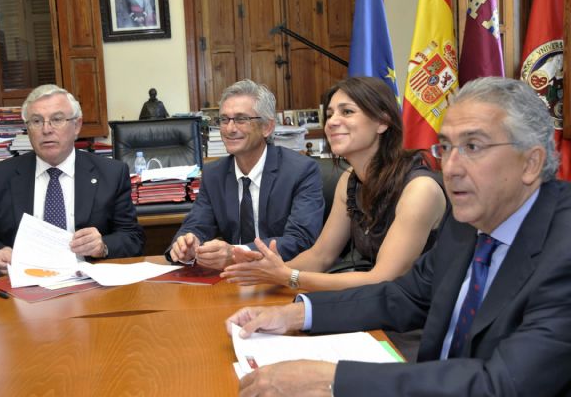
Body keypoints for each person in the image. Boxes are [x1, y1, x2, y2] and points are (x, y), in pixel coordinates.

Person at [227, 77, 571, 396]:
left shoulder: (563, 251)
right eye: (446, 147)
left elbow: (500, 385)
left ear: (530, 164)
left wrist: (332, 380)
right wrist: (294, 314)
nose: (451, 168)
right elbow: (403, 297)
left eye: (473, 146)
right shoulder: (468, 221)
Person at [221, 77, 446, 292]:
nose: (332, 122)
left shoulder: (420, 190)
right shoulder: (350, 179)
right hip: (371, 300)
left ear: (382, 122)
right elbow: (321, 256)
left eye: (347, 112)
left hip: (417, 310)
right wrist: (265, 273)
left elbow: (382, 279)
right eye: (329, 115)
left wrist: (288, 277)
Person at [0, 84, 144, 277]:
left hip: (89, 284)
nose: (46, 129)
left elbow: (133, 239)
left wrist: (103, 246)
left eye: (57, 119)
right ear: (27, 128)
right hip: (26, 283)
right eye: (36, 121)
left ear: (77, 126)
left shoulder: (111, 174)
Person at [165, 79, 324, 270]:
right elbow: (197, 225)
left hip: (284, 276)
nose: (230, 129)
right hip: (233, 280)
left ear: (267, 127)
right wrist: (188, 245)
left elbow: (301, 239)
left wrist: (236, 254)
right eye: (224, 119)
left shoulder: (301, 171)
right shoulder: (214, 174)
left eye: (241, 119)